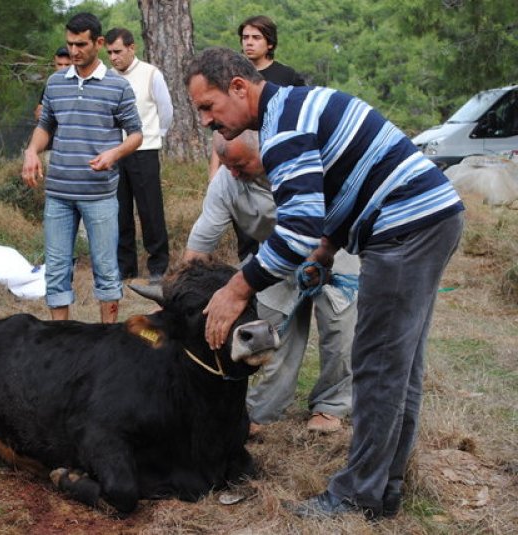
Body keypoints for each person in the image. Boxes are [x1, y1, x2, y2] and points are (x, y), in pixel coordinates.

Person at [185, 47, 464, 519]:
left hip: (404, 227)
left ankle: (356, 495)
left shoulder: (282, 127)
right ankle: (385, 488)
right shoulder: (296, 106)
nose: (207, 121)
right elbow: (342, 181)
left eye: (208, 107)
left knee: (378, 366)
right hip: (429, 216)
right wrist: (328, 249)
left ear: (238, 86)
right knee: (400, 366)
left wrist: (237, 289)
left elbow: (294, 229)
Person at [185, 130, 357, 434]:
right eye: (226, 164)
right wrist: (180, 293)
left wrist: (323, 255)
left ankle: (331, 406)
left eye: (240, 163)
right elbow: (200, 247)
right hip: (276, 257)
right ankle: (264, 411)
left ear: (264, 150)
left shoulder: (302, 164)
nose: (233, 172)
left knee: (339, 326)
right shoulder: (227, 183)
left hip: (333, 246)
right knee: (268, 327)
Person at [22, 13, 143, 323]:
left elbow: (136, 135)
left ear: (99, 43)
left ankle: (108, 339)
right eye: (69, 44)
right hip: (58, 192)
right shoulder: (55, 83)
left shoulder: (117, 86)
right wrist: (32, 150)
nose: (74, 51)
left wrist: (114, 154)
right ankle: (59, 338)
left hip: (99, 194)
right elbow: (45, 125)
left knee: (106, 269)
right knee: (57, 268)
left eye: (81, 44)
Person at [207, 15, 306, 259]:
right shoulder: (229, 79)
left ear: (269, 43)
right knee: (247, 235)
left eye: (256, 38)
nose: (249, 43)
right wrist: (214, 173)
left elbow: (301, 120)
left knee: (283, 227)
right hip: (239, 167)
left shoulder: (287, 77)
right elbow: (220, 131)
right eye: (245, 38)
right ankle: (249, 288)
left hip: (277, 165)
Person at [105, 27, 174, 283]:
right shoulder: (107, 77)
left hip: (144, 150)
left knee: (150, 210)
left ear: (132, 48)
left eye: (118, 51)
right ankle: (126, 268)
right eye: (109, 52)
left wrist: (156, 135)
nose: (114, 57)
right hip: (115, 151)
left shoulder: (150, 74)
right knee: (120, 211)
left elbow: (165, 109)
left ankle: (158, 266)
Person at [34, 46, 72, 122]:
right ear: (55, 63)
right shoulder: (51, 84)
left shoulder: (80, 83)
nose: (63, 68)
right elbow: (39, 114)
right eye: (60, 64)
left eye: (67, 64)